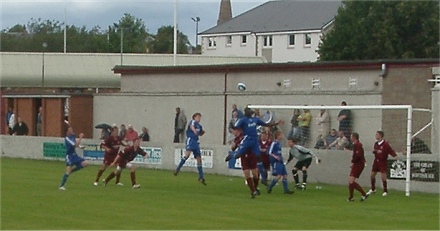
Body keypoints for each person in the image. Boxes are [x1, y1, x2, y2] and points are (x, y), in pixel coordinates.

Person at [225, 107, 283, 186]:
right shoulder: (242, 120)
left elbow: (266, 124)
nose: (251, 113)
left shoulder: (255, 119)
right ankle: (232, 155)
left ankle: (263, 179)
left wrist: (276, 123)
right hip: (247, 140)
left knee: (259, 158)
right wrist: (232, 126)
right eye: (250, 111)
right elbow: (236, 128)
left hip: (255, 141)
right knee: (238, 156)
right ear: (246, 112)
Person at [173, 113, 207, 185]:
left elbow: (200, 133)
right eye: (198, 117)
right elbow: (192, 127)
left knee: (199, 159)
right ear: (194, 117)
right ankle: (177, 169)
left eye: (200, 117)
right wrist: (194, 131)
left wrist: (202, 133)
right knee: (187, 155)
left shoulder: (199, 126)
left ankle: (201, 177)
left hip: (196, 142)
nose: (199, 119)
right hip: (191, 140)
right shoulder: (192, 122)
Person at [231, 127, 260, 198]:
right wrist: (233, 146)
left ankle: (255, 188)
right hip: (244, 157)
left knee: (255, 174)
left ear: (237, 130)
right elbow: (233, 148)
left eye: (233, 131)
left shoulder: (245, 135)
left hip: (251, 155)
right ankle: (253, 191)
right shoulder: (236, 139)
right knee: (246, 173)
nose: (233, 133)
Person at [367, 131, 398, 197]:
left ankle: (385, 191)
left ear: (381, 135)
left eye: (377, 134)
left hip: (382, 162)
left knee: (383, 177)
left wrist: (395, 156)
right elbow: (375, 151)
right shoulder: (376, 143)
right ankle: (373, 189)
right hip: (376, 161)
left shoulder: (385, 144)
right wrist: (375, 151)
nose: (376, 136)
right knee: (372, 175)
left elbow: (390, 150)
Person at [347, 132, 369, 202]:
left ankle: (364, 194)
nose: (350, 138)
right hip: (357, 164)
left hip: (359, 164)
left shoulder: (358, 145)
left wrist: (353, 161)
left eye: (351, 137)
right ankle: (351, 197)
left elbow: (358, 155)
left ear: (354, 137)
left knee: (351, 181)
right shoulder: (356, 145)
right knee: (350, 181)